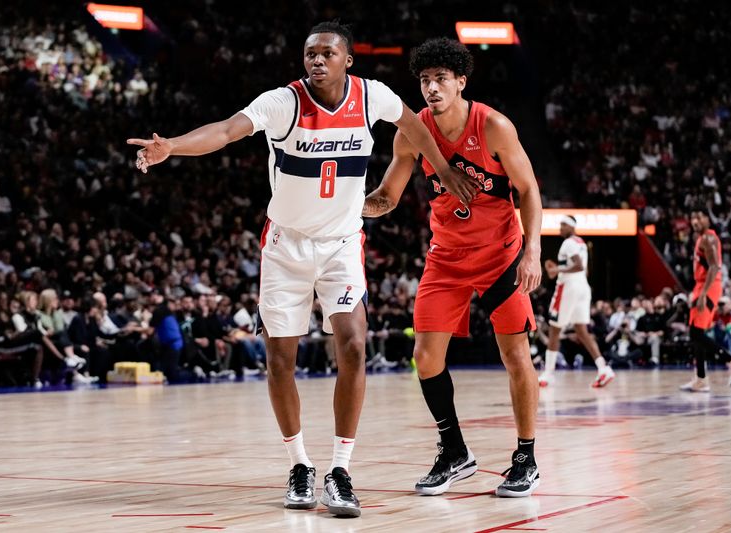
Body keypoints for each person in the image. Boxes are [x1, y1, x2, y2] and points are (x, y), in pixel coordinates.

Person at [127, 22, 476, 516]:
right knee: (280, 361)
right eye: (310, 53)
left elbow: (414, 127)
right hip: (286, 248)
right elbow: (226, 131)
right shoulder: (282, 103)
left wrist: (442, 170)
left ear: (347, 60)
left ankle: (340, 470)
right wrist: (173, 147)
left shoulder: (372, 97)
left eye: (327, 53)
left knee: (354, 345)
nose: (316, 60)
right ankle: (298, 464)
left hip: (341, 244)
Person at [362, 38, 542, 497]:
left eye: (441, 78)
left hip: (501, 254)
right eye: (424, 80)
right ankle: (454, 450)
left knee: (514, 356)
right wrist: (340, 208)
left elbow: (529, 190)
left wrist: (533, 251)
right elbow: (386, 198)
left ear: (461, 82)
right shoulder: (410, 133)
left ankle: (526, 455)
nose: (431, 87)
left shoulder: (495, 126)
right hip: (446, 257)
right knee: (425, 358)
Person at [539, 216, 616, 387]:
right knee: (582, 331)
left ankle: (548, 373)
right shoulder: (581, 243)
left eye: (563, 224)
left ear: (571, 227)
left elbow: (579, 266)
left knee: (554, 329)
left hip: (569, 287)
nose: (560, 227)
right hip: (583, 287)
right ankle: (603, 368)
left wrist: (556, 269)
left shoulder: (568, 243)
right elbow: (585, 271)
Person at [680, 209, 731, 392]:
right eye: (692, 217)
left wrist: (702, 294)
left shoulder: (708, 238)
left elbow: (715, 267)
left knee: (697, 333)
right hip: (701, 287)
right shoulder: (701, 238)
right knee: (695, 332)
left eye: (699, 217)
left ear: (707, 219)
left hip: (708, 288)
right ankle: (701, 379)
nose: (695, 221)